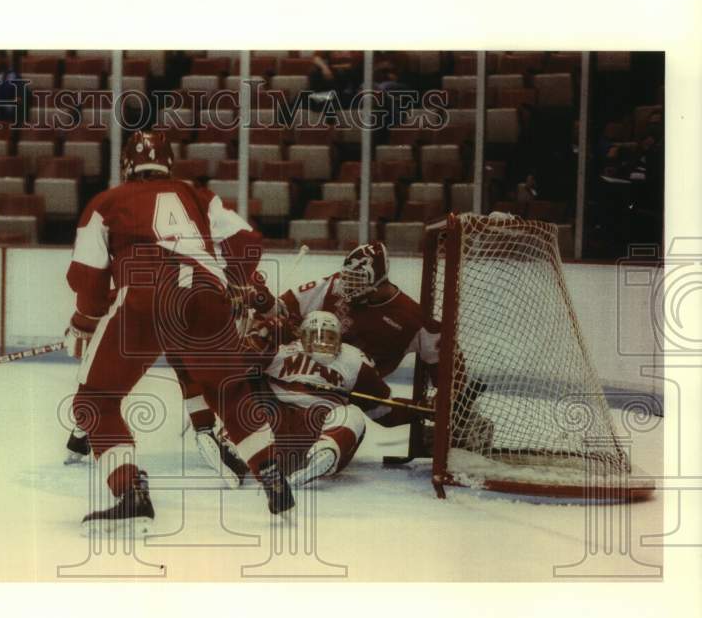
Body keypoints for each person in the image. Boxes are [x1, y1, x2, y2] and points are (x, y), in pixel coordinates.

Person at [64, 130, 284, 533]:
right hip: (205, 297)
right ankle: (271, 474)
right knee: (230, 391)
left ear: (127, 165)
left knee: (95, 400)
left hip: (144, 297)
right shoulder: (196, 194)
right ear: (169, 164)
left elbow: (87, 277)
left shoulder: (106, 202)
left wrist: (84, 320)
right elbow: (248, 241)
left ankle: (131, 490)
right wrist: (229, 281)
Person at [244, 311, 420, 488]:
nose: (323, 342)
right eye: (316, 336)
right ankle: (234, 454)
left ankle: (324, 453)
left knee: (352, 413)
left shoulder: (353, 360)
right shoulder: (283, 350)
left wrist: (418, 409)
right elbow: (237, 365)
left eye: (329, 337)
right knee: (249, 402)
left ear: (340, 339)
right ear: (302, 337)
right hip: (278, 428)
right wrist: (260, 332)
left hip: (318, 429)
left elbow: (383, 409)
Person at [276, 242, 440, 380]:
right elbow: (285, 305)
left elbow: (443, 358)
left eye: (356, 280)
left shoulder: (410, 317)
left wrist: (446, 397)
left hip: (357, 388)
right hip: (309, 372)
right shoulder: (335, 284)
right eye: (347, 277)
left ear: (378, 279)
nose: (347, 285)